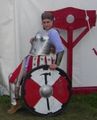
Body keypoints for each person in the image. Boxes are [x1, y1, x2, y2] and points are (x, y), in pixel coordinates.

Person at [8, 11, 65, 114]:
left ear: (52, 21)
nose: (46, 24)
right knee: (13, 79)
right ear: (41, 22)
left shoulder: (53, 32)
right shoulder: (40, 32)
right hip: (29, 60)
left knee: (22, 82)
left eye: (48, 22)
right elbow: (37, 49)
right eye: (44, 22)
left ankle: (18, 103)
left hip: (41, 63)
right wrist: (33, 41)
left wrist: (56, 63)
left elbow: (60, 49)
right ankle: (15, 104)